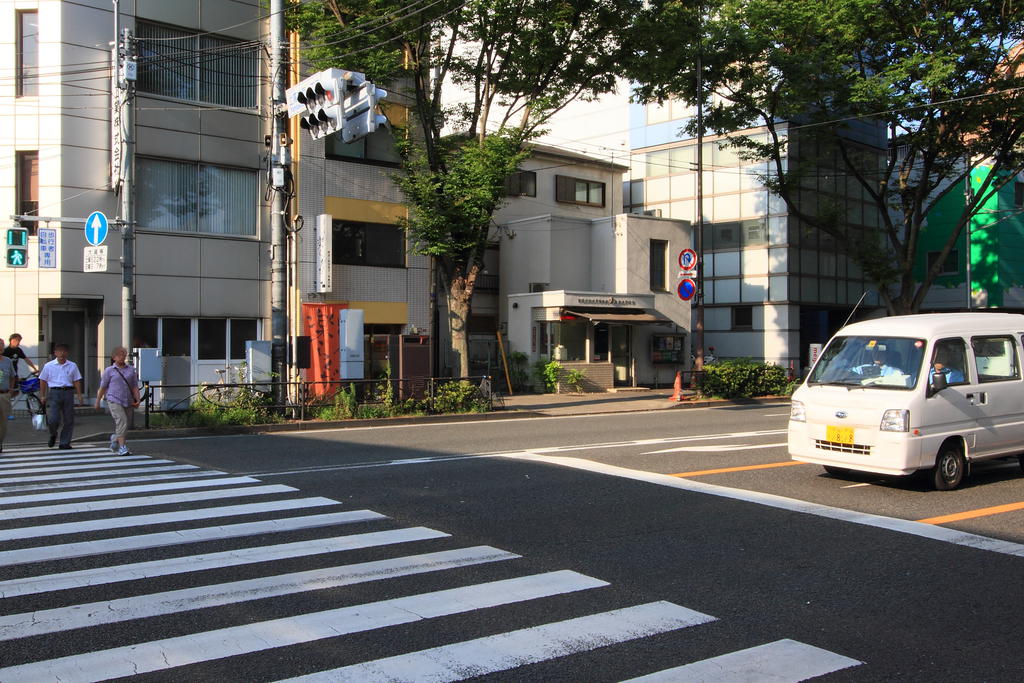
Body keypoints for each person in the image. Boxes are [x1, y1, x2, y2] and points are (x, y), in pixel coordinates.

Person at [95, 346, 140, 455]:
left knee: (125, 424)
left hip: (128, 400)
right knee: (122, 421)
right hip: (114, 399)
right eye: (119, 355)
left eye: (124, 355)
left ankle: (115, 438)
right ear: (114, 357)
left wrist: (138, 399)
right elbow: (103, 387)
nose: (122, 357)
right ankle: (122, 447)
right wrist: (97, 401)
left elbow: (134, 386)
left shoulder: (130, 370)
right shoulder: (109, 370)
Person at [39, 343, 83, 449]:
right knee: (53, 419)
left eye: (64, 351)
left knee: (69, 419)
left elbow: (76, 380)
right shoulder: (48, 365)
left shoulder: (72, 365)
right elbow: (43, 380)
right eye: (59, 351)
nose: (62, 353)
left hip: (68, 392)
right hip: (54, 392)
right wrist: (42, 395)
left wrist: (79, 395)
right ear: (55, 353)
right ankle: (53, 434)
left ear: (67, 353)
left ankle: (64, 442)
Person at [0, 338, 17, 453]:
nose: (0, 347)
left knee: (3, 422)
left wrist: (10, 390)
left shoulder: (7, 361)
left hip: (4, 395)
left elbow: (12, 376)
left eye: (1, 345)